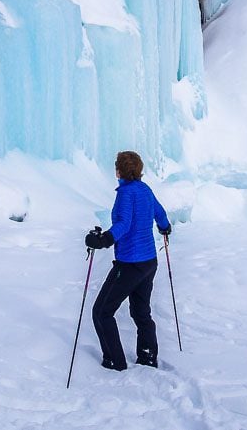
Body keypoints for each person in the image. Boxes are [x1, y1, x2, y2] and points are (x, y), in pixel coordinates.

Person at [84, 150, 171, 371]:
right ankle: (147, 355)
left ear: (119, 171)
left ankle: (115, 361)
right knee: (141, 312)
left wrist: (104, 239)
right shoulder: (145, 189)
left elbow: (124, 223)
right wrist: (164, 228)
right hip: (149, 262)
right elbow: (160, 214)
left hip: (130, 263)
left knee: (102, 312)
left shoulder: (126, 193)